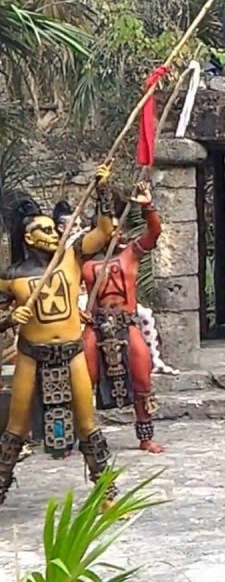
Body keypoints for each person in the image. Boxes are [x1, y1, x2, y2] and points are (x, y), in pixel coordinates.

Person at [0, 164, 118, 506]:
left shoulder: (71, 256)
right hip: (31, 355)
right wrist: (9, 321)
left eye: (55, 229)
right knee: (16, 429)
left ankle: (107, 493)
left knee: (87, 424)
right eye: (45, 231)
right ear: (28, 237)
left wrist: (102, 191)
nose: (54, 235)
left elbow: (104, 232)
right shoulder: (13, 277)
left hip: (72, 353)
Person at [81, 182, 166, 453]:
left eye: (119, 228)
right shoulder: (83, 262)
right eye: (110, 228)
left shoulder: (131, 254)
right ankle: (83, 435)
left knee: (142, 378)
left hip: (126, 323)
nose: (116, 233)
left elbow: (154, 232)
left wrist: (146, 205)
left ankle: (145, 436)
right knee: (85, 379)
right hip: (96, 324)